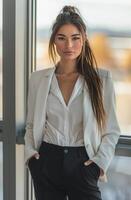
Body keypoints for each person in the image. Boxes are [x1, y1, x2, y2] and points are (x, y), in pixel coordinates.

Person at [24, 5, 121, 200]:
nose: (69, 45)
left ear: (84, 39)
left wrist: (98, 164)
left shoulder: (102, 80)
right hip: (46, 161)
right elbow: (32, 124)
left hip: (83, 163)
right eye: (62, 38)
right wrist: (31, 156)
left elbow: (111, 129)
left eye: (75, 38)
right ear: (54, 42)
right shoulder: (38, 79)